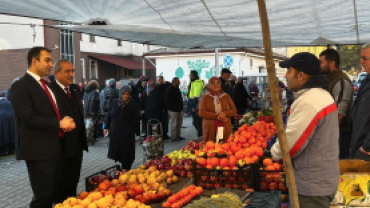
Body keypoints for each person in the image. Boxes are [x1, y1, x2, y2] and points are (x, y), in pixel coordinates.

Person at [271, 52, 339, 208]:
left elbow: (289, 147)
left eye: (289, 71)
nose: (286, 76)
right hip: (320, 180)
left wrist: (272, 153)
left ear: (301, 75)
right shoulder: (321, 96)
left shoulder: (309, 102)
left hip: (312, 188)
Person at [11, 47, 75, 208]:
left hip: (54, 147)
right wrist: (58, 124)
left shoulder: (45, 85)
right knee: (43, 195)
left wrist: (63, 120)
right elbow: (28, 118)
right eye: (47, 60)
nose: (51, 64)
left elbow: (49, 113)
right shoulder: (21, 85)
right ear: (34, 61)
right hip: (37, 150)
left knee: (53, 192)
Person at [48, 60, 88, 203]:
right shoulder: (50, 91)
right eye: (67, 71)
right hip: (61, 147)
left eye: (73, 71)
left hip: (77, 145)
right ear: (56, 73)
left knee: (73, 182)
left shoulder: (75, 89)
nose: (71, 74)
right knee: (59, 186)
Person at [319, 48, 353, 159]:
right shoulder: (328, 79)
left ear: (332, 63)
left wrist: (327, 135)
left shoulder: (341, 81)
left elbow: (340, 114)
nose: (319, 65)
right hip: (331, 133)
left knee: (339, 169)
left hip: (339, 135)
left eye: (321, 62)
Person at [104, 86, 140, 170]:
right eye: (124, 94)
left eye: (127, 94)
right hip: (116, 132)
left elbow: (136, 119)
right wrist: (106, 127)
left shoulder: (132, 104)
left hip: (127, 133)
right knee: (118, 151)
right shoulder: (115, 102)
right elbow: (109, 114)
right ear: (120, 94)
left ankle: (126, 168)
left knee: (127, 153)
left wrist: (133, 131)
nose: (126, 96)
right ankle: (122, 168)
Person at [199, 77, 236, 142]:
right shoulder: (205, 97)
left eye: (218, 83)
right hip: (210, 128)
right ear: (209, 85)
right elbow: (201, 113)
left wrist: (224, 113)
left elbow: (234, 111)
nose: (216, 85)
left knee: (222, 147)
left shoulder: (226, 96)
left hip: (223, 127)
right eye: (213, 83)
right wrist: (217, 116)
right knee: (211, 149)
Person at [351, 43, 370, 161]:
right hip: (359, 147)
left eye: (365, 58)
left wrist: (366, 146)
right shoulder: (366, 80)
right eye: (361, 58)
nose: (361, 61)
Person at [188, 71, 204, 135]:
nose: (189, 76)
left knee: (197, 122)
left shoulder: (197, 83)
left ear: (193, 76)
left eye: (190, 75)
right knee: (196, 122)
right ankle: (201, 134)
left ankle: (201, 136)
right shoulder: (194, 82)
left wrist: (194, 107)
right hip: (194, 105)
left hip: (195, 106)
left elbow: (196, 96)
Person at [0, 91, 15, 156]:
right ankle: (12, 149)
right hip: (12, 118)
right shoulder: (8, 102)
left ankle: (5, 151)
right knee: (11, 133)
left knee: (4, 134)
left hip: (2, 119)